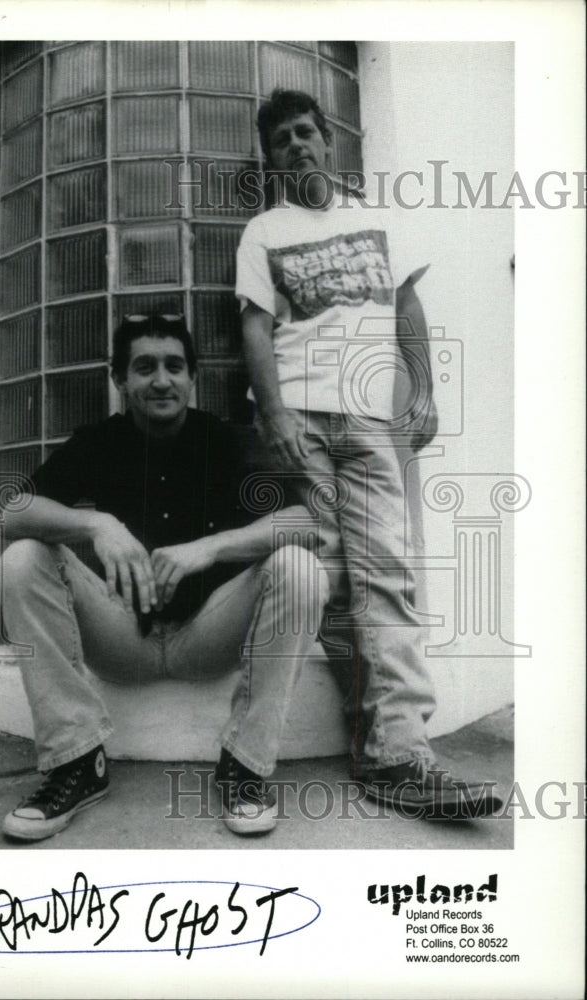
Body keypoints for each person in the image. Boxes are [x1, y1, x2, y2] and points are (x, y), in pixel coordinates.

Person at [235, 89, 502, 819]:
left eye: (305, 132)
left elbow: (406, 308)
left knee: (386, 572)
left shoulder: (376, 217)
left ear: (328, 142)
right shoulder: (264, 230)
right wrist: (275, 412)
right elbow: (255, 330)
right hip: (301, 422)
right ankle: (381, 749)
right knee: (326, 582)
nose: (296, 145)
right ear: (271, 157)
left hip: (366, 421)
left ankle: (399, 748)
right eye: (281, 139)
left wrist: (421, 394)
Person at [0, 313, 327, 841]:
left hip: (207, 636)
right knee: (23, 558)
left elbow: (307, 523)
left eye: (175, 366)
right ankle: (77, 763)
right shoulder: (99, 441)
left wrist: (211, 547)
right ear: (120, 380)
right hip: (120, 636)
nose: (161, 380)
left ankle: (244, 767)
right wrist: (95, 523)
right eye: (144, 367)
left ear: (191, 377)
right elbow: (12, 514)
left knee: (299, 566)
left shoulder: (224, 439)